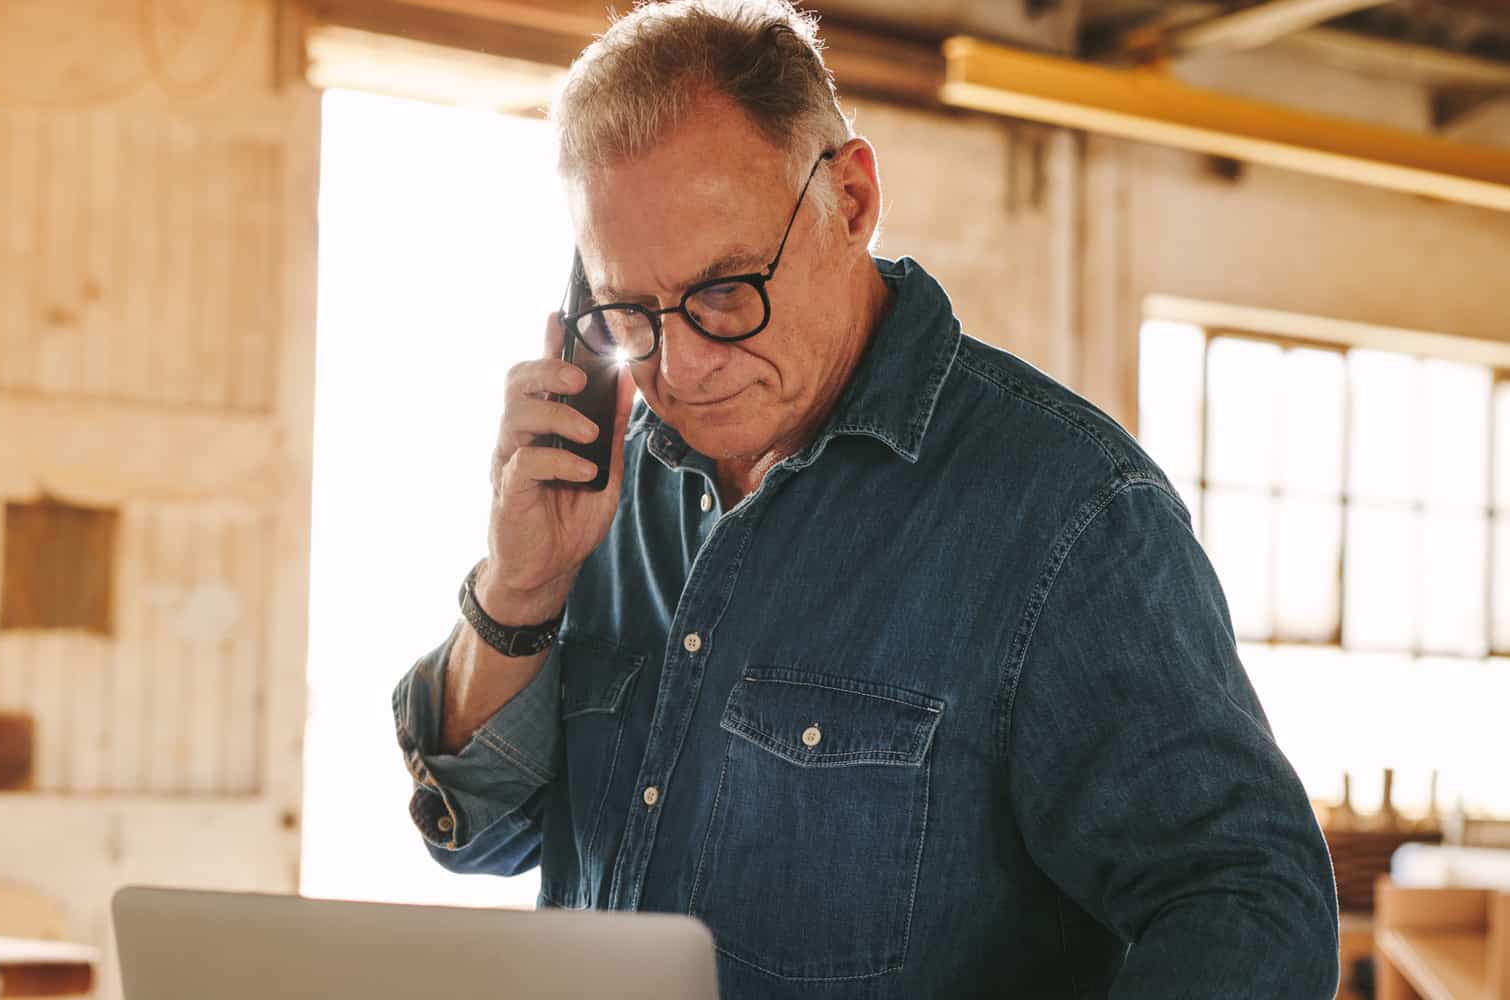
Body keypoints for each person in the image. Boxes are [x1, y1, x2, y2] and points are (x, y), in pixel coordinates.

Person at [390, 1, 1340, 996]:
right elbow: (481, 836)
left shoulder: (1067, 514)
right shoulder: (605, 490)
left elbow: (1247, 902)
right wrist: (521, 587)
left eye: (724, 291)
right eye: (629, 310)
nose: (683, 364)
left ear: (850, 199)